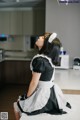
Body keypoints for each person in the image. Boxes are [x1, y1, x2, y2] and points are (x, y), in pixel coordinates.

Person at [13, 32, 71, 120]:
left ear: (46, 45)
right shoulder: (46, 59)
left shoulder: (40, 60)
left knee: (16, 105)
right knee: (19, 102)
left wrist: (28, 98)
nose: (39, 37)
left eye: (43, 38)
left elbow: (34, 82)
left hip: (43, 95)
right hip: (50, 93)